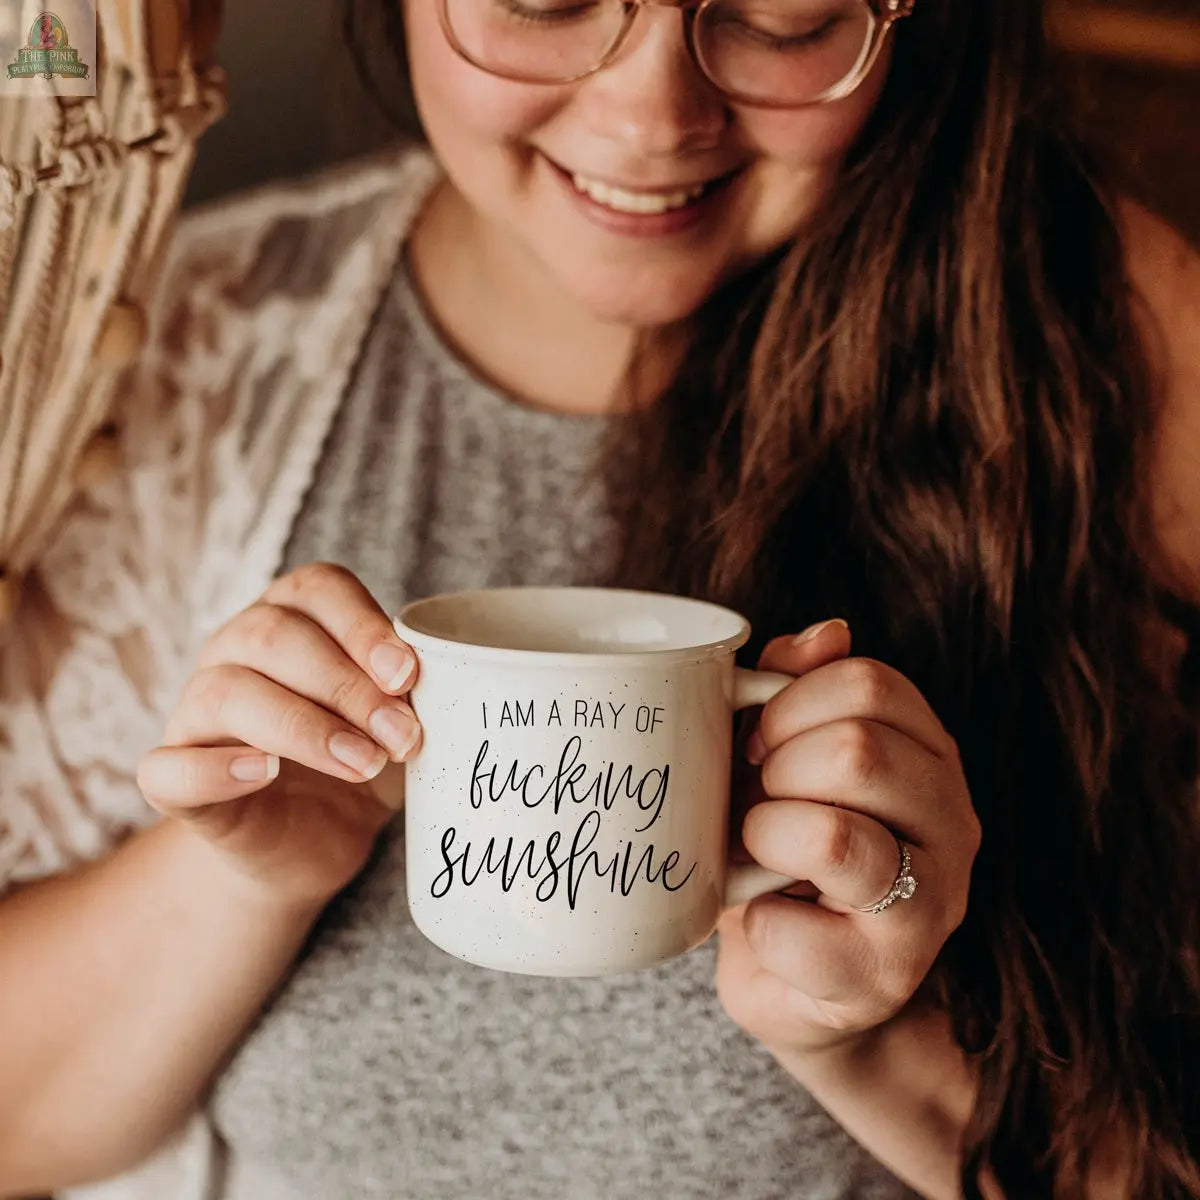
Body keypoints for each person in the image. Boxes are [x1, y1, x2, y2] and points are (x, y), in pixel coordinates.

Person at [0, 0, 1197, 1196]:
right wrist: (236, 879)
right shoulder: (161, 348)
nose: (650, 117)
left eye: (779, 12)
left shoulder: (1116, 352)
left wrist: (876, 1045)